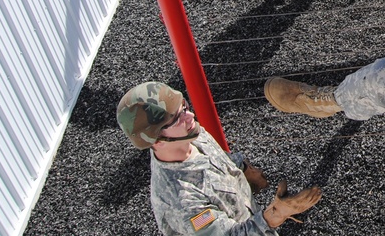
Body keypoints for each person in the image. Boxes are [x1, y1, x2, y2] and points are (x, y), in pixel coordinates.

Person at [116, 81, 322, 234]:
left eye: (184, 107)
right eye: (177, 118)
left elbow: (219, 157)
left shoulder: (188, 135)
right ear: (156, 140)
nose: (189, 116)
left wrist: (243, 168)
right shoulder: (182, 202)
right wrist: (274, 216)